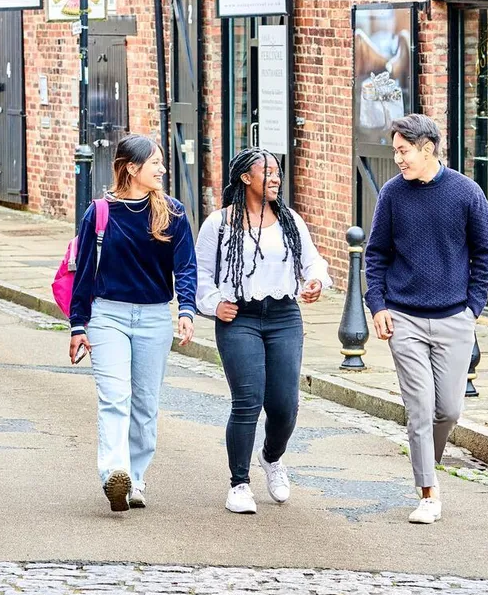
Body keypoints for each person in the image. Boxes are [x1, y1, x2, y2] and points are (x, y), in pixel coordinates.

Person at [364, 114, 488, 525]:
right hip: (405, 318)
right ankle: (428, 492)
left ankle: (427, 464)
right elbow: (376, 254)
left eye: (403, 151)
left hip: (455, 318)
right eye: (395, 151)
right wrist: (378, 305)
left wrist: (472, 309)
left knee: (449, 410)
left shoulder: (466, 193)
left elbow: (485, 256)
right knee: (420, 409)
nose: (398, 159)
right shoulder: (392, 194)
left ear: (427, 148)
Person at [195, 148, 330, 514]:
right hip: (239, 318)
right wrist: (212, 304)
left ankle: (271, 458)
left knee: (285, 406)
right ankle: (239, 483)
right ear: (245, 178)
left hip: (284, 315)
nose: (275, 178)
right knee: (247, 401)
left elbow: (313, 260)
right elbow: (201, 275)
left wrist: (315, 280)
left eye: (277, 172)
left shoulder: (289, 220)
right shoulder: (218, 224)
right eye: (266, 172)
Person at [68, 134, 197, 512]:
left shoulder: (171, 212)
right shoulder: (100, 212)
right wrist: (78, 325)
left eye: (161, 162)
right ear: (131, 168)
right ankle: (114, 474)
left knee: (144, 404)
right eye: (155, 162)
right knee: (114, 398)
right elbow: (84, 273)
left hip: (155, 318)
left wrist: (186, 310)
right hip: (107, 316)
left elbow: (186, 267)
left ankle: (135, 479)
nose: (162, 168)